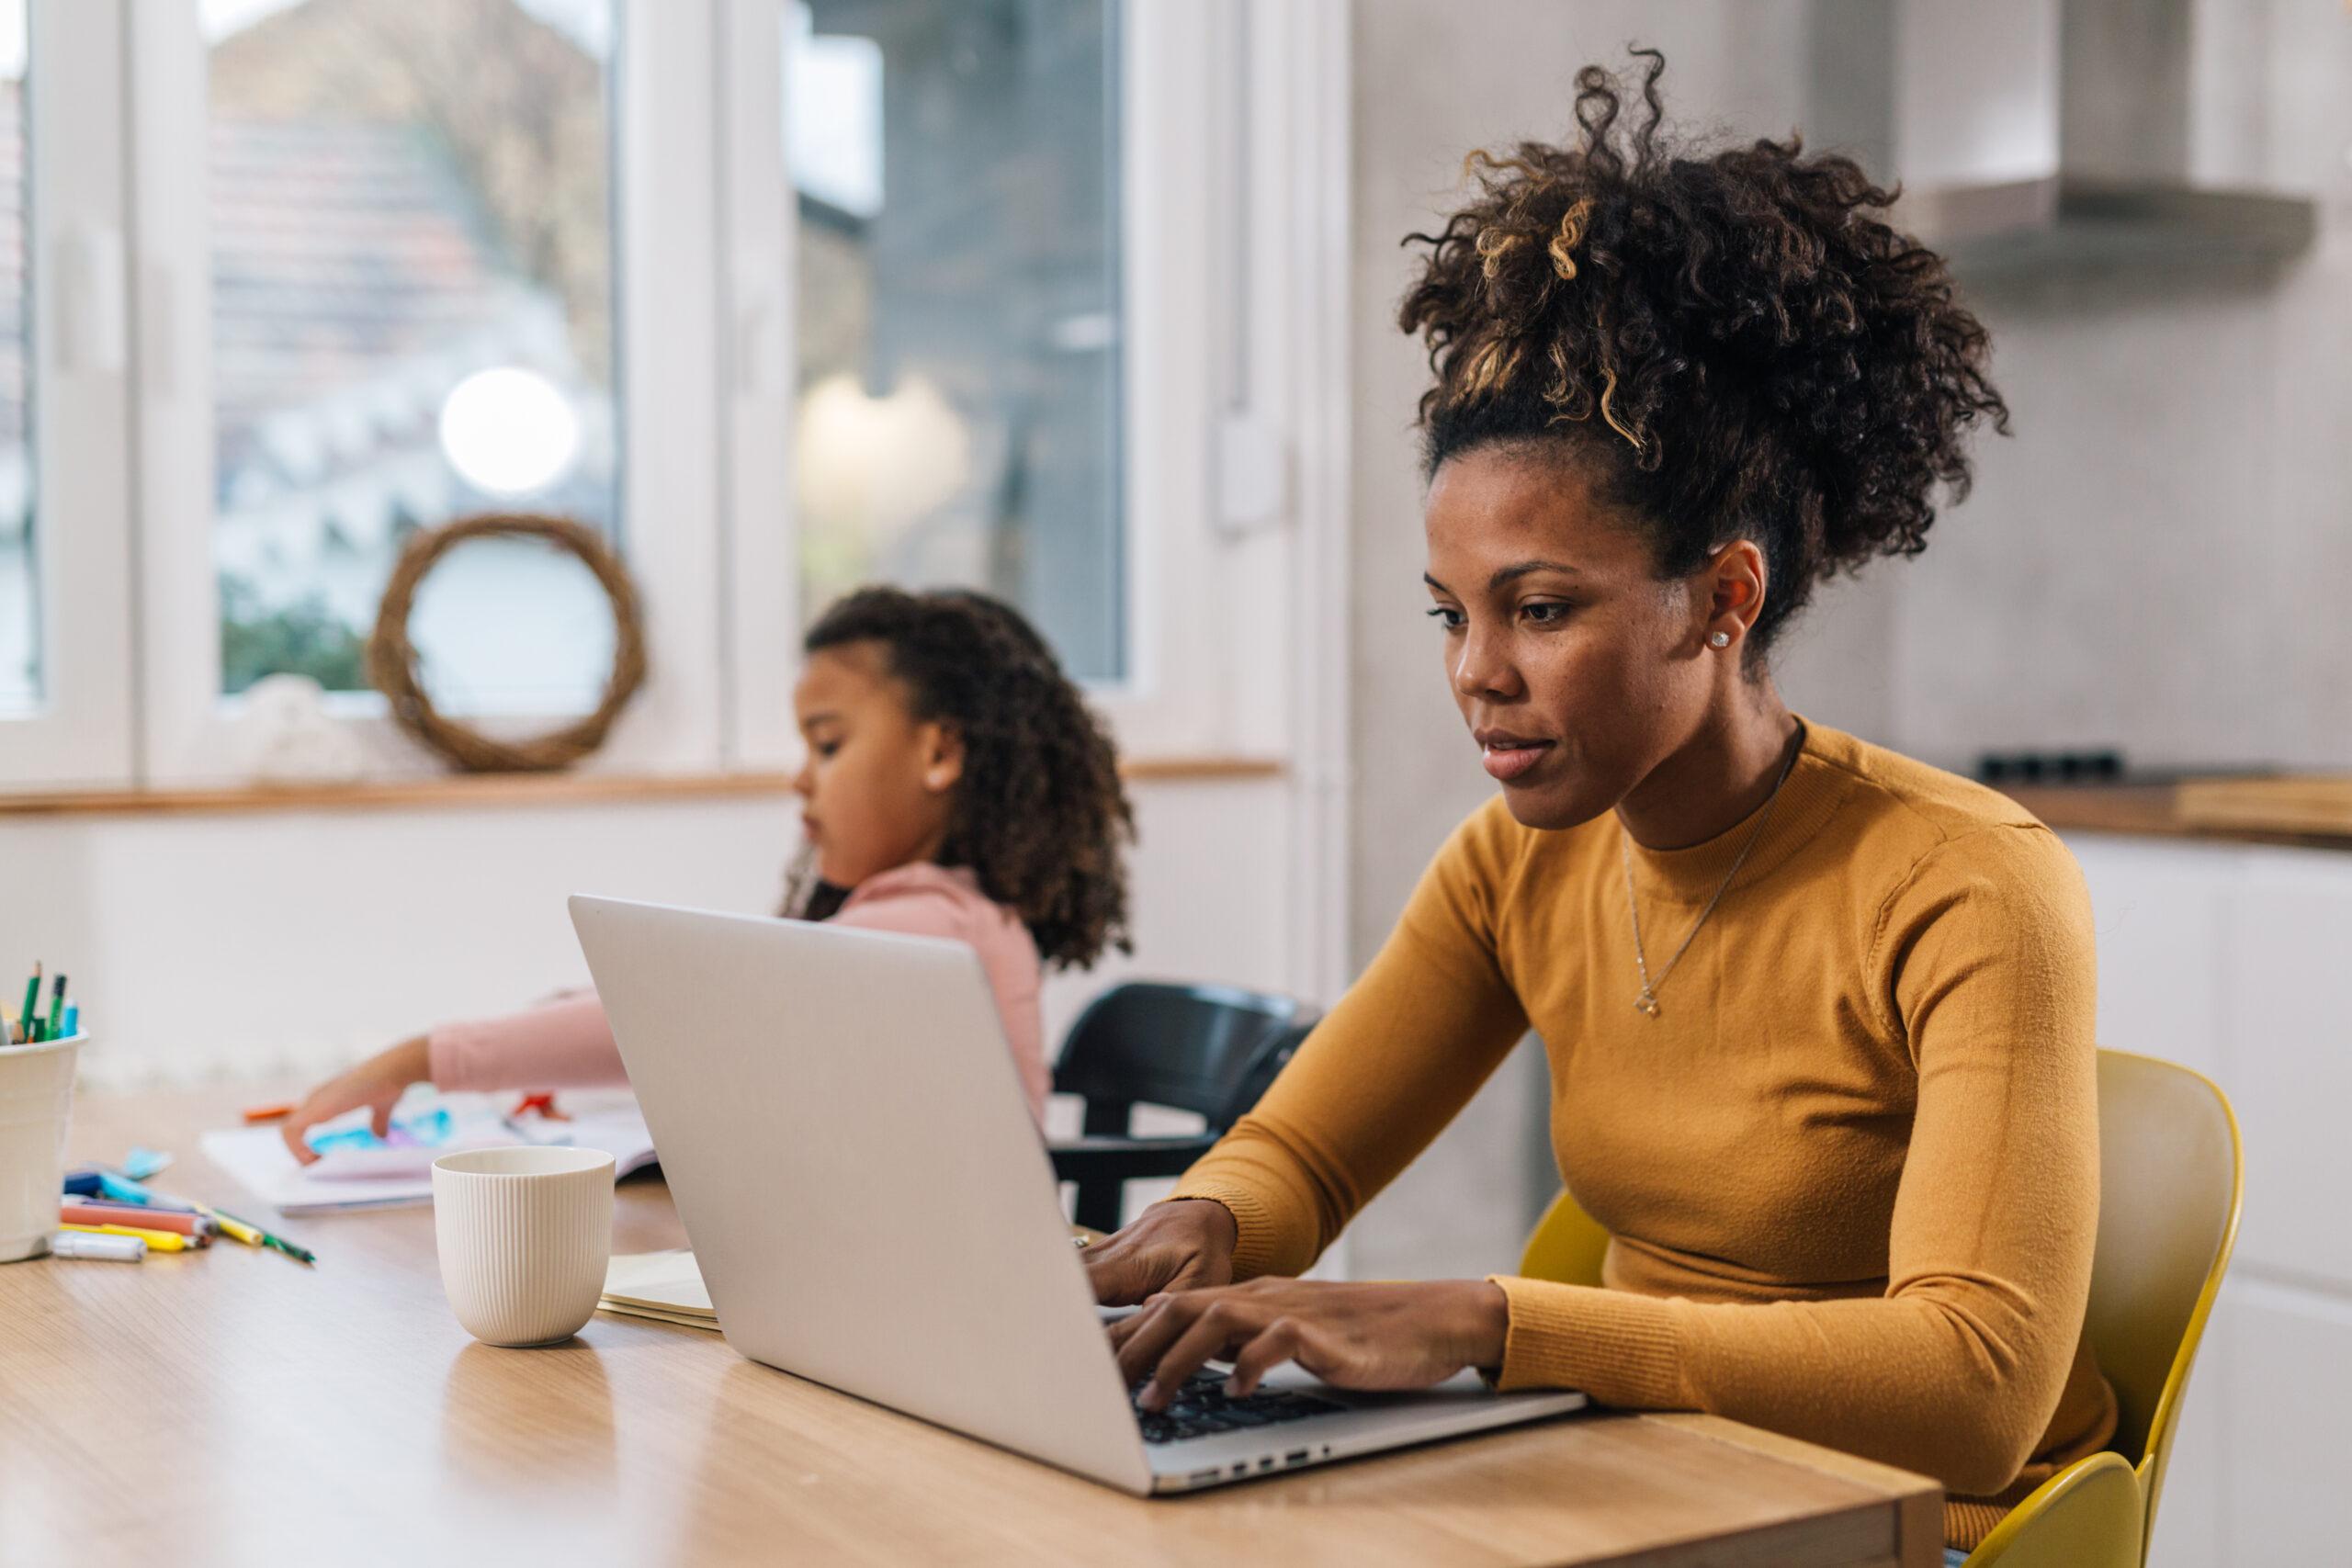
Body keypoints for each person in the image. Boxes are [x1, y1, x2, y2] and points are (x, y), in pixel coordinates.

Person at [1085, 52, 2112, 1560]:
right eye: (1451, 615)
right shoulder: (1517, 864)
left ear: (1722, 597)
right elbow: (1301, 1155)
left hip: (1905, 1521)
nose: (1478, 676)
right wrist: (1201, 1224)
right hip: (1637, 1485)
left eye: (1542, 609)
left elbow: (1973, 1392)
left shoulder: (1963, 884)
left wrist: (1487, 1320)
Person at [280, 586, 1134, 1157]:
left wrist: (419, 1057)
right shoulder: (912, 920)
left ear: (940, 750)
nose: (802, 777)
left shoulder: (934, 927)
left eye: (828, 743)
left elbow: (689, 1008)